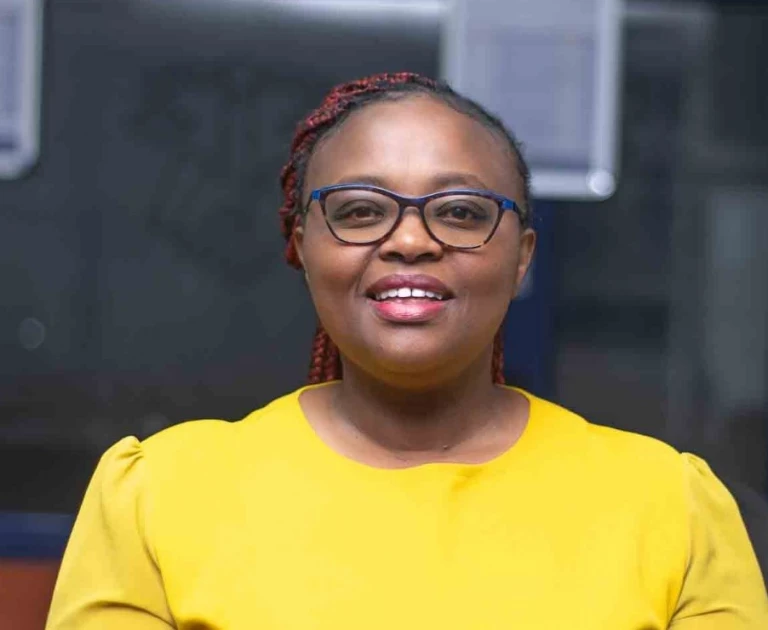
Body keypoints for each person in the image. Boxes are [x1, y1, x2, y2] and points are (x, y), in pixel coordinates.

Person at [45, 72, 767, 629]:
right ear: (302, 245)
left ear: (522, 258)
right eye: (361, 210)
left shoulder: (668, 505)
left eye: (460, 212)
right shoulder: (158, 496)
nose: (411, 240)